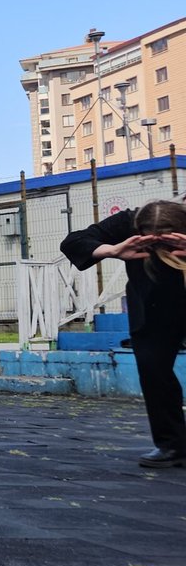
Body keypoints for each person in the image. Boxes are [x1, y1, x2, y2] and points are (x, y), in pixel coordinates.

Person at [61, 199, 186, 468]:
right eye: (151, 245)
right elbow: (74, 241)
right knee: (153, 368)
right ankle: (172, 445)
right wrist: (112, 250)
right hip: (152, 308)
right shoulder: (129, 221)